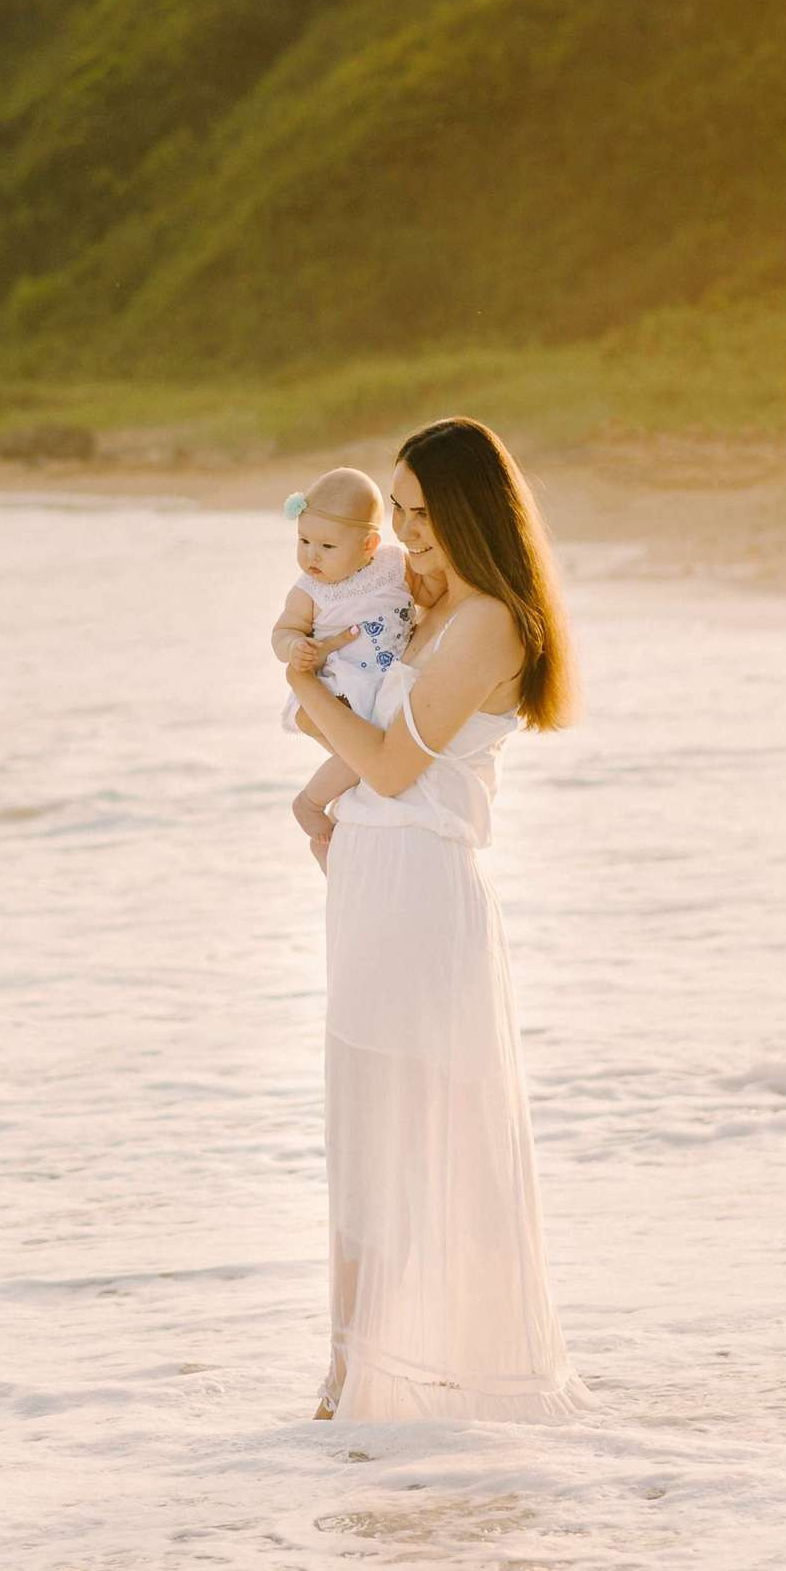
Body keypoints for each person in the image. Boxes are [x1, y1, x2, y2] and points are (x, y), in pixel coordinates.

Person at [283, 420, 586, 1424]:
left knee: (420, 1130)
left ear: (469, 511)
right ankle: (349, 1373)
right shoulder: (425, 602)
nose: (405, 531)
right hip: (370, 881)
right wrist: (314, 784)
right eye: (399, 510)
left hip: (420, 888)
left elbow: (389, 765)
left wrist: (299, 684)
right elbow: (361, 734)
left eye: (422, 513)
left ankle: (412, 1373)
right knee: (366, 1131)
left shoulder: (489, 622)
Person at [269, 467, 413, 868]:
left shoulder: (394, 564)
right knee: (362, 759)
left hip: (382, 688)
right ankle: (310, 803)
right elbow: (283, 632)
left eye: (327, 546)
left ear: (369, 545)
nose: (311, 556)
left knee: (370, 773)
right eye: (303, 541)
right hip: (341, 691)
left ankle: (335, 842)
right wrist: (295, 646)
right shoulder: (309, 591)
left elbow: (428, 595)